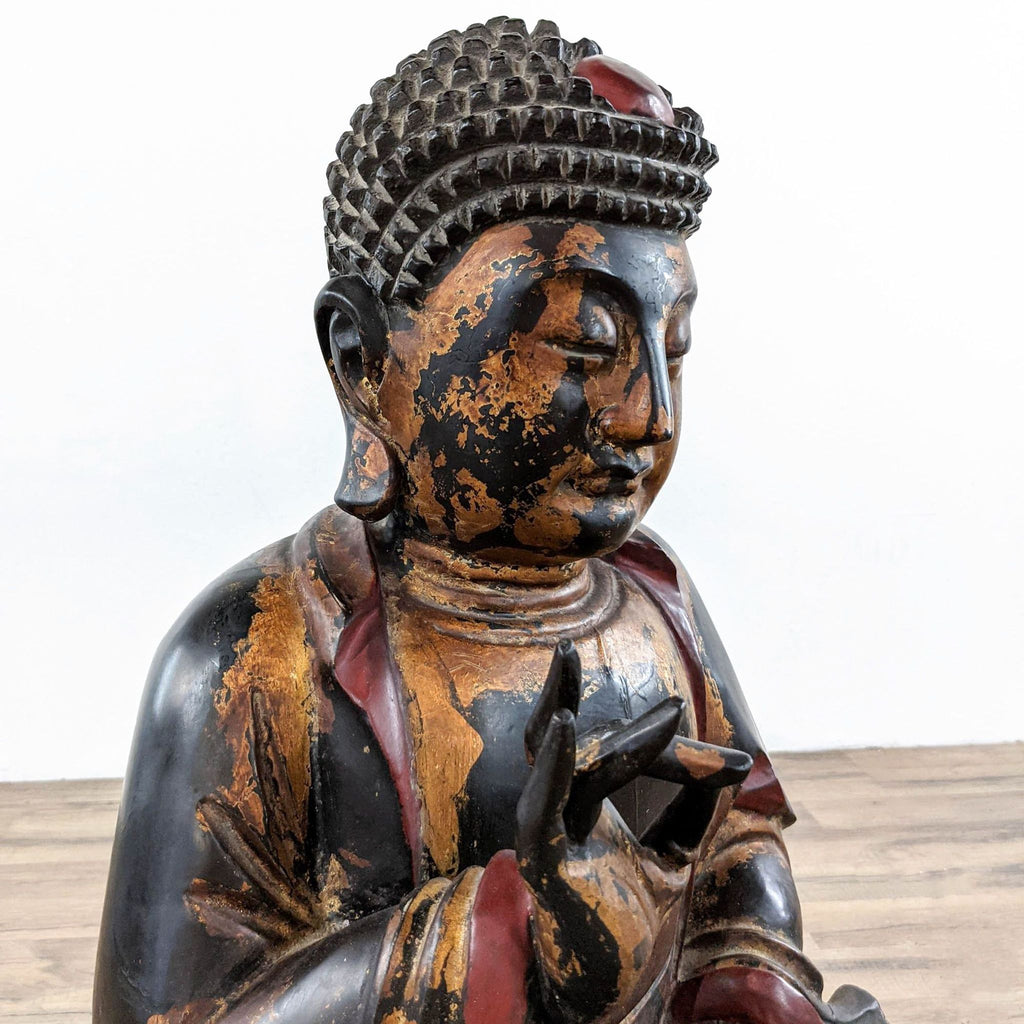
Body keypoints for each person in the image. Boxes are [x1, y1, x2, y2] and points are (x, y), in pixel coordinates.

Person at [94, 18, 886, 1024]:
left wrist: (745, 963)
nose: (648, 413)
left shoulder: (651, 600)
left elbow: (736, 834)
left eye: (671, 345)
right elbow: (165, 1013)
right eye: (579, 342)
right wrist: (499, 931)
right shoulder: (256, 655)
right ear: (362, 359)